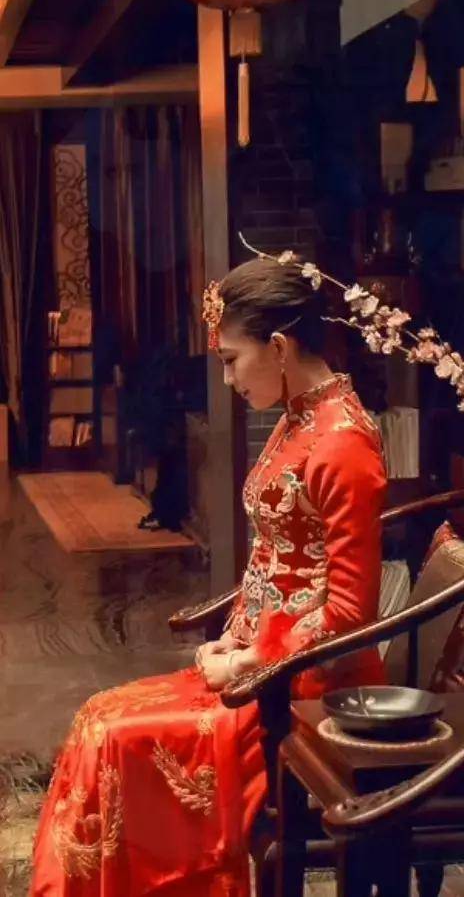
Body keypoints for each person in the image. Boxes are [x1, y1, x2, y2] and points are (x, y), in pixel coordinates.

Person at [30, 256, 387, 897]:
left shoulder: (342, 443)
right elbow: (276, 561)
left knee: (115, 738)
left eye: (230, 359)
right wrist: (234, 637)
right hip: (260, 663)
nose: (226, 378)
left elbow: (348, 614)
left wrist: (253, 660)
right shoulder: (299, 419)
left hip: (304, 688)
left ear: (278, 347)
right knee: (96, 718)